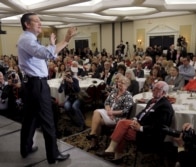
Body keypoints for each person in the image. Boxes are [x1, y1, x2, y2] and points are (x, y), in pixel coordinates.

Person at [17, 12, 77, 164]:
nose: (40, 23)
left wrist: (65, 40)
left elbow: (51, 53)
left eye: (40, 20)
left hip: (32, 84)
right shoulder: (27, 39)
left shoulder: (29, 39)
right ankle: (53, 154)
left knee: (30, 118)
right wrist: (53, 44)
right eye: (36, 21)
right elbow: (46, 53)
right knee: (48, 119)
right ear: (27, 24)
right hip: (37, 84)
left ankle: (26, 148)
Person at [99, 81, 174, 162]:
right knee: (122, 127)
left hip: (149, 135)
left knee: (122, 125)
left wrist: (141, 128)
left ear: (163, 92)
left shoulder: (165, 106)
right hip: (139, 126)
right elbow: (143, 112)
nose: (153, 90)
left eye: (156, 89)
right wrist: (135, 119)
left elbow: (159, 127)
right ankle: (116, 155)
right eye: (153, 87)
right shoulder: (153, 100)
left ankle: (112, 151)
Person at [86, 75, 133, 151]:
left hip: (118, 118)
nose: (120, 84)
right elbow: (106, 102)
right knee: (96, 112)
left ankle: (94, 142)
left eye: (122, 83)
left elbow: (125, 111)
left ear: (127, 86)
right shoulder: (114, 91)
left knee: (98, 121)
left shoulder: (128, 96)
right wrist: (109, 112)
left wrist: (113, 113)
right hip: (108, 113)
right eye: (119, 82)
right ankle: (93, 134)